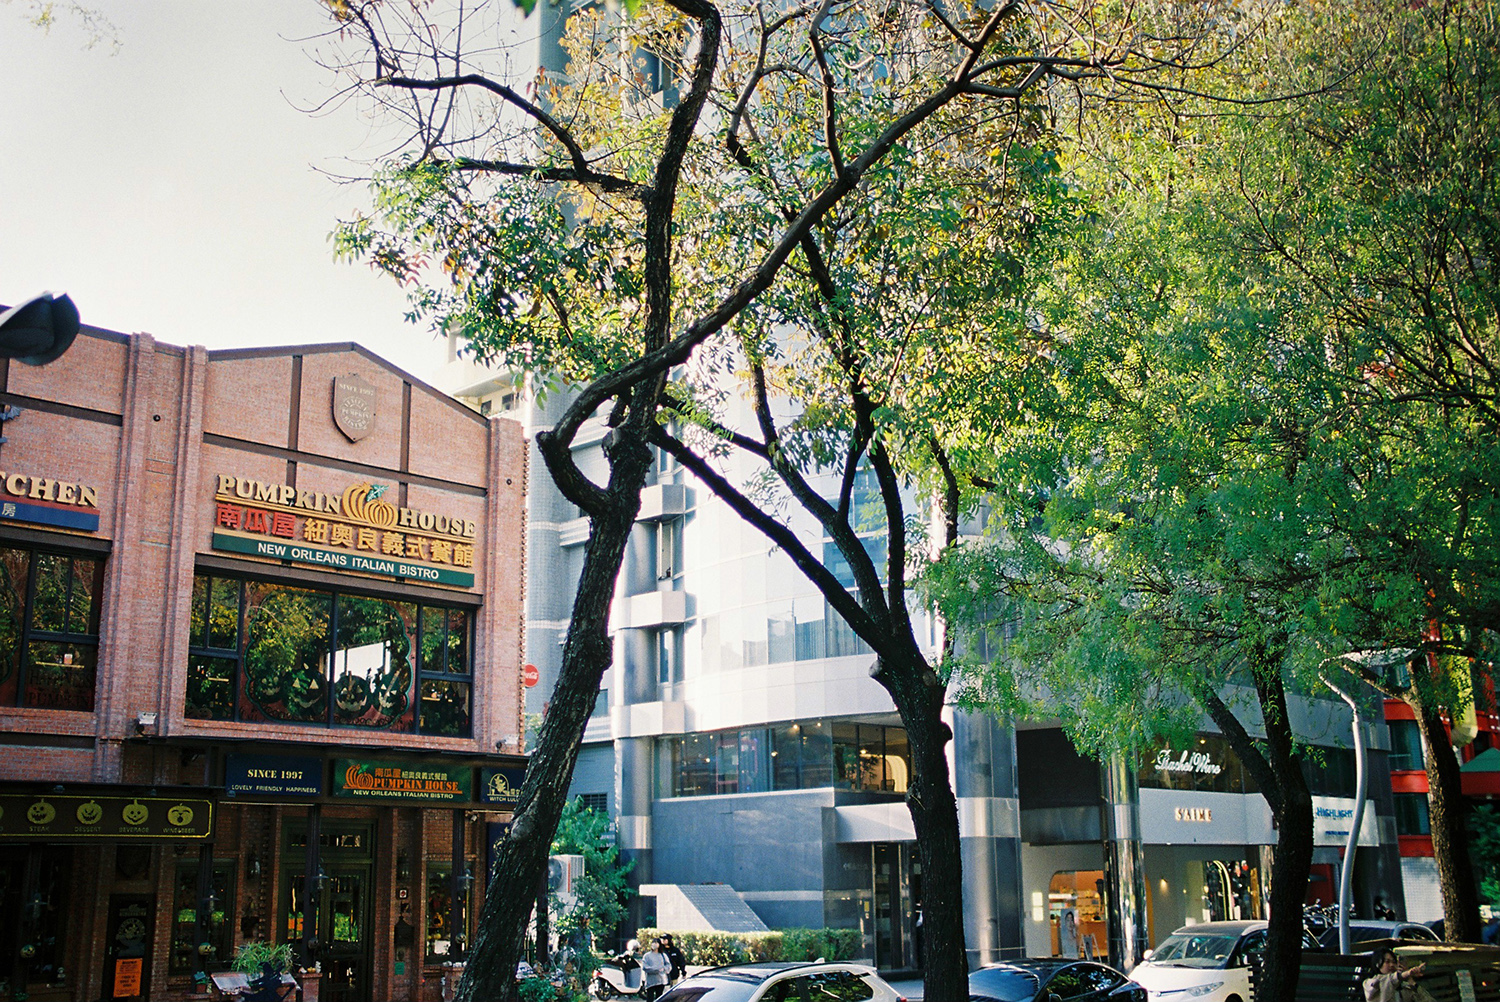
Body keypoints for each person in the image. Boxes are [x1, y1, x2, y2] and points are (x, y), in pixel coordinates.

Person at [1363, 948, 1435, 1002]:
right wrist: (1407, 973)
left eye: (1393, 962)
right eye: (1387, 962)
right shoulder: (1370, 983)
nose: (1391, 965)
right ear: (1378, 964)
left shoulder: (1404, 987)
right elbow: (1391, 980)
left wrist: (1411, 981)